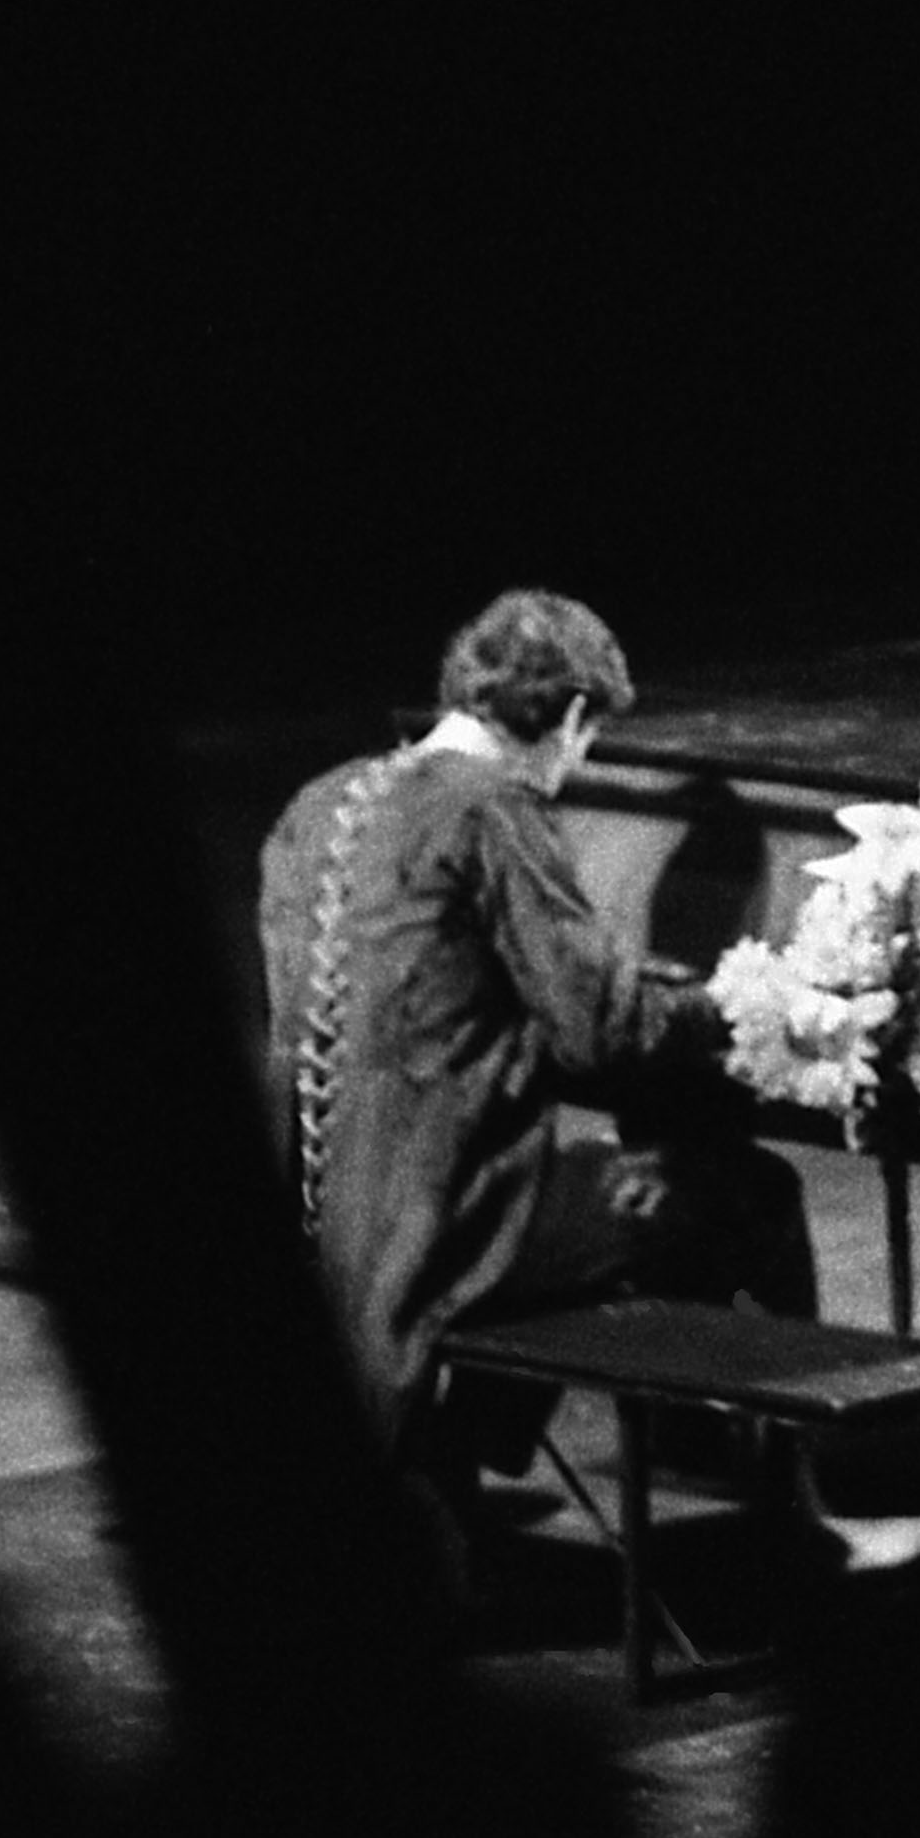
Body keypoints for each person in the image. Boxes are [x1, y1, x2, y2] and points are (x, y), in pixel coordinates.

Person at [257, 587, 818, 1492]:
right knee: (752, 1194)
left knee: (598, 1183)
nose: (577, 761)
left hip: (321, 1207)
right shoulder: (492, 810)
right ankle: (796, 1517)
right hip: (437, 1221)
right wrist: (738, 1002)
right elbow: (601, 1032)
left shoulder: (316, 803)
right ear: (569, 713)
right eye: (587, 737)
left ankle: (467, 1457)